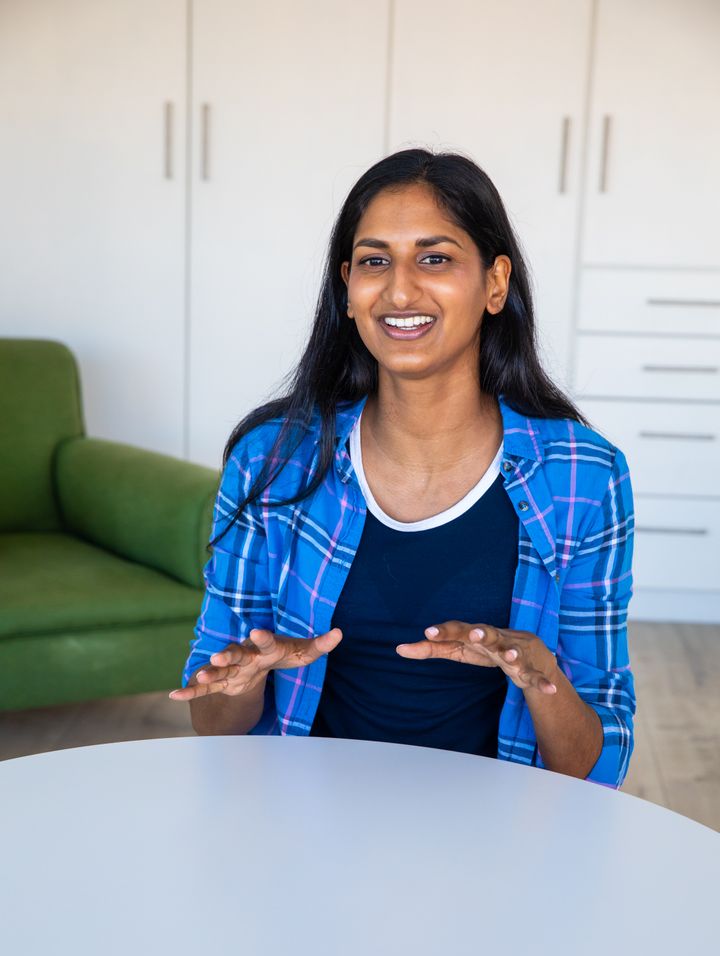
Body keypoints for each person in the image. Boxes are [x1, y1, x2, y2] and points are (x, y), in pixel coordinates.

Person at [169, 148, 635, 788]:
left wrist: (542, 675)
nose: (400, 289)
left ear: (495, 283)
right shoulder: (272, 460)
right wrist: (244, 675)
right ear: (348, 288)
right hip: (301, 821)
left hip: (492, 833)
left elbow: (595, 760)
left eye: (435, 258)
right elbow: (213, 723)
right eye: (375, 261)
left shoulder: (585, 476)